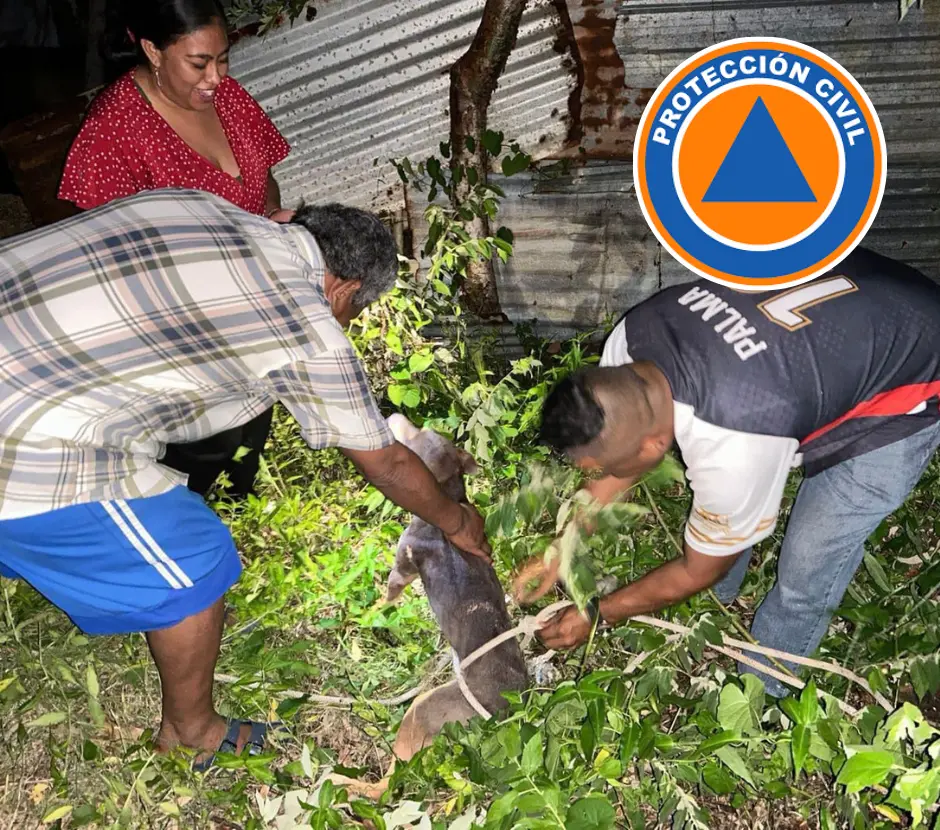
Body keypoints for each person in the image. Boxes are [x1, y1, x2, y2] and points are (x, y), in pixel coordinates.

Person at [0, 187, 491, 768]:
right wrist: (456, 520)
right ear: (347, 290)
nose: (346, 324)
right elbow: (384, 460)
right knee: (195, 561)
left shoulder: (196, 203)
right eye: (352, 315)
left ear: (292, 223)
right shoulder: (307, 324)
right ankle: (192, 732)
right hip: (20, 433)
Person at [534, 246, 940, 697]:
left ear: (652, 446)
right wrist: (565, 543)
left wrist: (597, 613)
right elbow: (620, 464)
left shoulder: (733, 446)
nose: (603, 478)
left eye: (605, 467)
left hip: (908, 383)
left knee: (808, 561)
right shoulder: (627, 345)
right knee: (729, 511)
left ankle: (764, 687)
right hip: (860, 298)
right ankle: (719, 596)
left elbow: (695, 570)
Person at [57, 0, 294, 501]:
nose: (215, 77)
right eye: (198, 63)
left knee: (248, 434)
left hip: (251, 312)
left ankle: (237, 510)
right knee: (196, 451)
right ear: (151, 50)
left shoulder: (226, 97)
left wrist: (270, 222)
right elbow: (105, 254)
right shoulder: (115, 128)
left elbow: (263, 175)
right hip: (179, 334)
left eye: (224, 58)